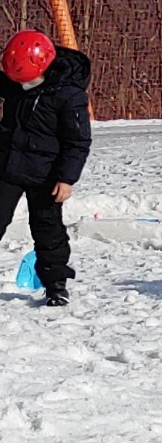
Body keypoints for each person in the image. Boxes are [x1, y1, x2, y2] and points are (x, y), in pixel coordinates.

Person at [0, 29, 93, 310]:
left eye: (23, 81)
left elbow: (78, 141)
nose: (17, 85)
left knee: (47, 229)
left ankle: (56, 285)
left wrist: (67, 178)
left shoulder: (69, 96)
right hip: (8, 165)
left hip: (47, 174)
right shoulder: (15, 80)